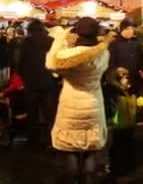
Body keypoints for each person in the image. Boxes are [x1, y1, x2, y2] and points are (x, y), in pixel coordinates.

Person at [45, 17, 113, 184]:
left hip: (71, 104)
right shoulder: (103, 53)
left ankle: (72, 180)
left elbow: (51, 64)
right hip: (93, 104)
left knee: (71, 149)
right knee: (91, 148)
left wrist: (61, 40)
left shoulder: (68, 55)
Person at [18, 19, 58, 147]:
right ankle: (51, 140)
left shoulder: (25, 43)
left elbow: (19, 63)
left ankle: (33, 139)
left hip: (31, 83)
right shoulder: (51, 41)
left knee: (32, 113)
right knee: (50, 114)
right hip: (49, 82)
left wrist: (25, 76)